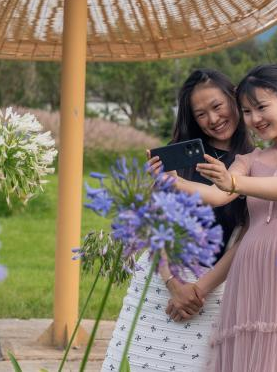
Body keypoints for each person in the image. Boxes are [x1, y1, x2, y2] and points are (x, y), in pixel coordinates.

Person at [155, 63, 277, 372]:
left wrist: (232, 182)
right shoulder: (250, 159)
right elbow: (218, 195)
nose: (254, 119)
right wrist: (173, 182)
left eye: (261, 107)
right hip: (250, 279)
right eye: (246, 111)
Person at [101, 68, 252, 372]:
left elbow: (246, 237)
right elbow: (154, 223)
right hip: (159, 281)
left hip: (212, 289)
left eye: (217, 106)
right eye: (201, 114)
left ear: (234, 97)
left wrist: (199, 290)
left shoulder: (253, 162)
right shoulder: (177, 158)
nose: (213, 119)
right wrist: (173, 282)